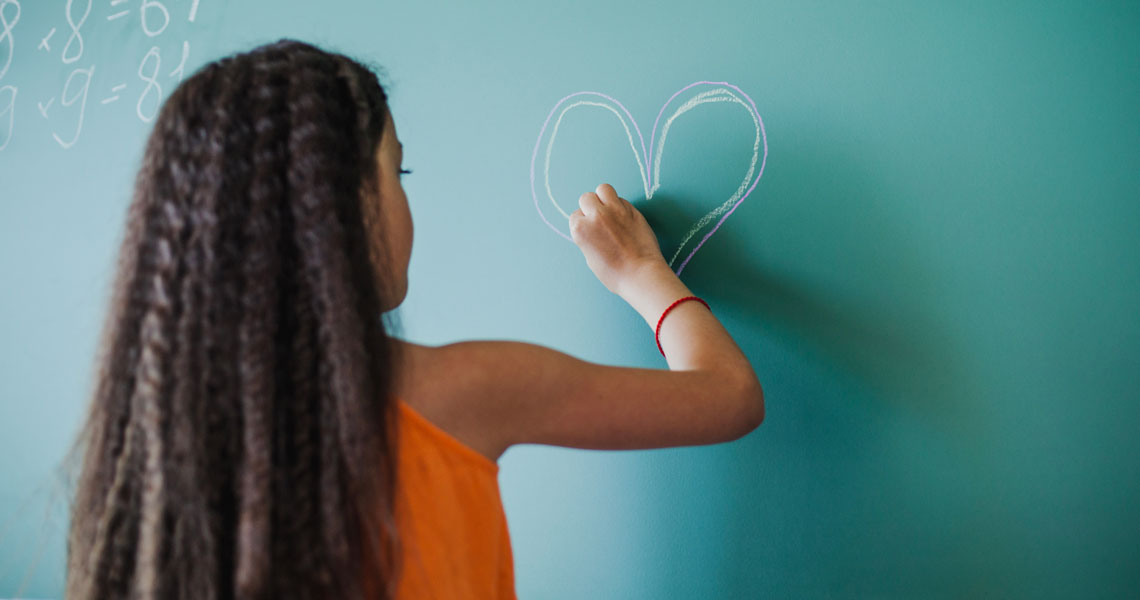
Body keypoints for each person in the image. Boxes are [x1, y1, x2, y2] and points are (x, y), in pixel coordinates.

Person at [62, 38, 764, 600]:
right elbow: (730, 395)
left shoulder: (150, 445)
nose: (404, 199)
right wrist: (642, 274)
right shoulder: (460, 391)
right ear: (340, 205)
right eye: (398, 174)